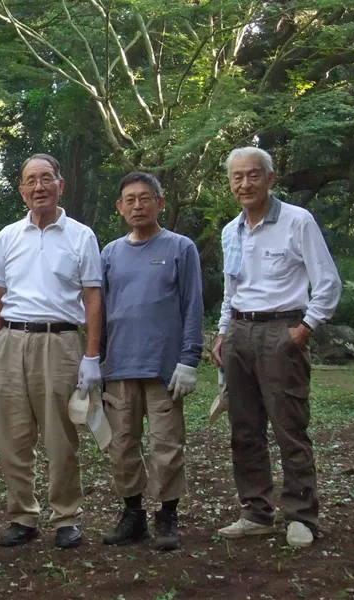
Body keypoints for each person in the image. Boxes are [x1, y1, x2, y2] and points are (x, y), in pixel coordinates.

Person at [212, 147, 342, 548]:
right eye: (237, 177)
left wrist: (304, 329)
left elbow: (328, 283)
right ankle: (255, 512)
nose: (244, 184)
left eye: (253, 175)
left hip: (282, 331)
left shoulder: (296, 221)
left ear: (270, 178)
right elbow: (231, 289)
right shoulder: (231, 229)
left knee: (289, 426)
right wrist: (221, 332)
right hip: (239, 333)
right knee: (244, 429)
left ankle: (301, 515)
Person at [0, 153, 103, 549]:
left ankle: (66, 517)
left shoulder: (81, 236)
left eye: (46, 178)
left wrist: (91, 355)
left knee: (59, 435)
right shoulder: (7, 236)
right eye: (30, 181)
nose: (39, 187)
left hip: (59, 342)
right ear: (21, 190)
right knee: (13, 437)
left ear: (60, 184)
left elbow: (92, 296)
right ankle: (22, 515)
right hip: (10, 343)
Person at [99, 172, 203, 551]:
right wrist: (95, 359)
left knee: (167, 443)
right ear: (120, 207)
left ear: (160, 202)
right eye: (130, 199)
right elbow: (101, 310)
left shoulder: (180, 248)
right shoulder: (109, 253)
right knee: (122, 443)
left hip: (164, 367)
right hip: (120, 366)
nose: (138, 205)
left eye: (145, 198)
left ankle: (167, 515)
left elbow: (193, 305)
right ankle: (132, 515)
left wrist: (190, 358)